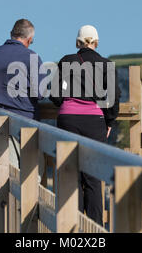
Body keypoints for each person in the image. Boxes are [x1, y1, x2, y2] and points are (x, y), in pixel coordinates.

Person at [49, 25, 121, 225]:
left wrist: (66, 103)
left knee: (72, 176)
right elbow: (114, 98)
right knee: (93, 179)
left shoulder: (66, 61)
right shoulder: (107, 65)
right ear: (96, 43)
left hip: (68, 120)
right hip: (94, 122)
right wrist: (109, 121)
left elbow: (54, 95)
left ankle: (74, 227)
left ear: (78, 42)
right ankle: (95, 229)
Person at [0, 19, 44, 169]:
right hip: (26, 122)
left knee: (6, 168)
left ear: (12, 34)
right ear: (29, 39)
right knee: (31, 172)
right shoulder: (32, 57)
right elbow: (41, 93)